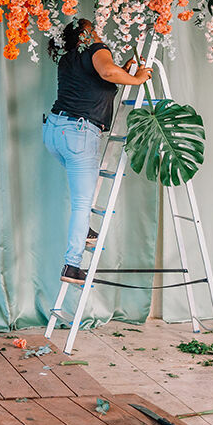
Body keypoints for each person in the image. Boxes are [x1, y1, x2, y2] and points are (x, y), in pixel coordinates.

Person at [43, 19, 152, 285]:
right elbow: (107, 74)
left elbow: (101, 77)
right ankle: (72, 266)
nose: (99, 30)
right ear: (86, 34)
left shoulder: (68, 58)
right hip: (79, 133)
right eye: (94, 27)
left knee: (81, 196)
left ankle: (85, 232)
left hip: (55, 132)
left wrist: (122, 70)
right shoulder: (95, 49)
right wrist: (137, 79)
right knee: (82, 203)